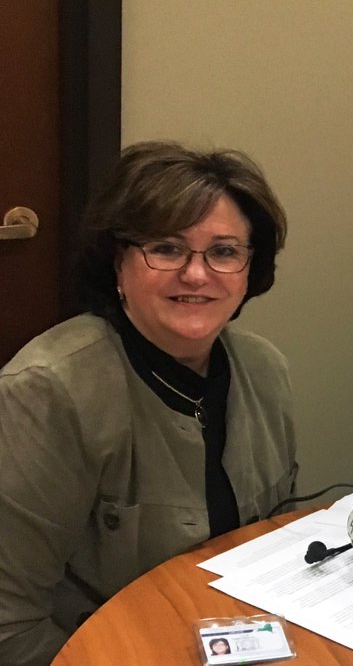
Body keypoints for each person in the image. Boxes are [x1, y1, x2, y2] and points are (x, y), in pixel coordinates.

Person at [0, 141, 298, 666]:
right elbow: (11, 625)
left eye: (224, 252)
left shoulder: (264, 368)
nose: (197, 274)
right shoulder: (46, 393)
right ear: (117, 261)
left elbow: (275, 543)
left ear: (250, 268)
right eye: (166, 248)